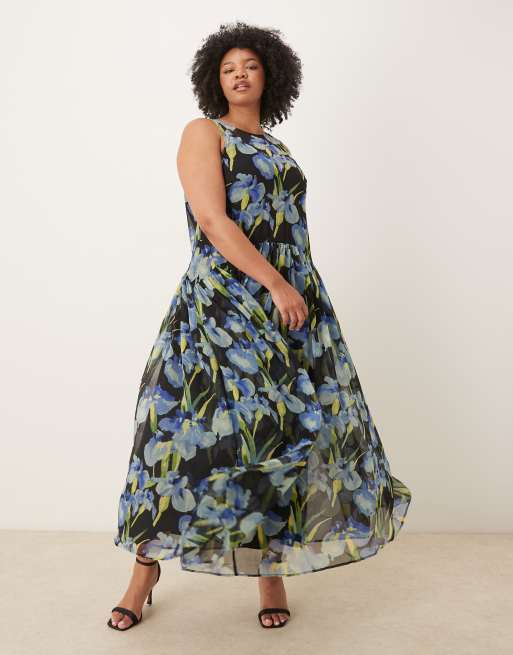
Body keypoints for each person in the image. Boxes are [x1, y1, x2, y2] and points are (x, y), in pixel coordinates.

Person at [107, 21, 412, 632]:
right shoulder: (203, 132)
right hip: (222, 306)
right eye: (228, 68)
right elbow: (212, 220)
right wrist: (273, 283)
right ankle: (143, 573)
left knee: (281, 435)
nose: (239, 74)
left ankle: (271, 571)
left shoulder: (278, 147)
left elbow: (290, 230)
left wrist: (294, 290)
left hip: (290, 304)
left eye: (249, 65)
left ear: (270, 75)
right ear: (214, 81)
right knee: (186, 439)